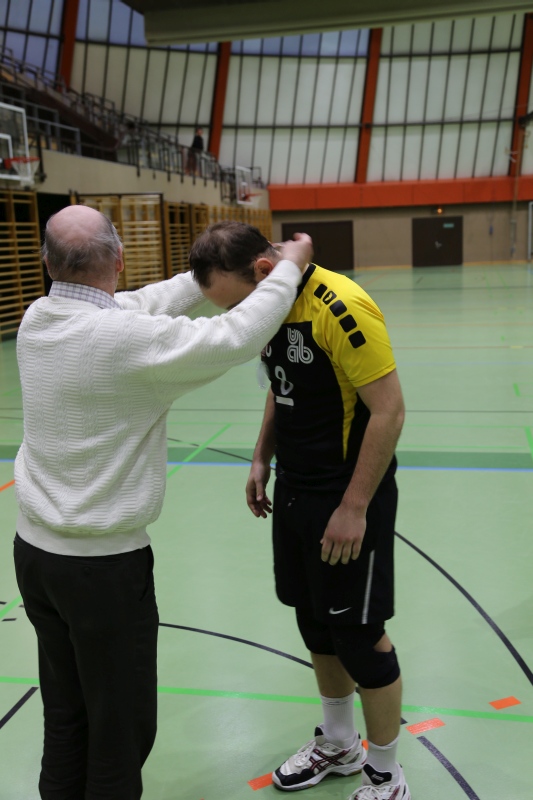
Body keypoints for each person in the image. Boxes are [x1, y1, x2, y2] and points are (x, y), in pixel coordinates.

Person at [13, 205, 312, 800]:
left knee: (67, 717)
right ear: (120, 260)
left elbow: (138, 304)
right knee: (119, 734)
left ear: (47, 264)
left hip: (36, 559)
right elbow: (237, 335)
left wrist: (205, 275)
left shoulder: (37, 318)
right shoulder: (127, 342)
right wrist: (289, 268)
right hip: (101, 572)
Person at [192, 221, 410, 800]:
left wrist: (355, 506)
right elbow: (280, 383)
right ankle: (339, 744)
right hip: (295, 489)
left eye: (235, 304)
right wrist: (261, 456)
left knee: (359, 636)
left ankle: (387, 774)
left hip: (346, 494)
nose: (237, 317)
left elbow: (389, 411)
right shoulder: (273, 303)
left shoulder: (341, 306)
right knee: (314, 621)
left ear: (264, 271)